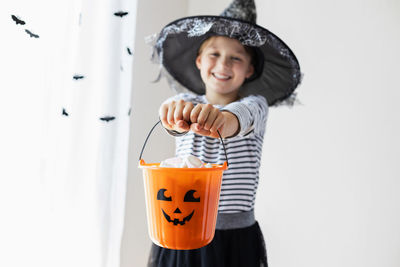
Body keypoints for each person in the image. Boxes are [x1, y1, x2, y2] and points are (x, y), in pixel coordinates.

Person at [147, 0, 301, 266]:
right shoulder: (186, 102)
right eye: (214, 54)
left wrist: (221, 119)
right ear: (199, 60)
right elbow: (170, 116)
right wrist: (172, 114)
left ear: (249, 69)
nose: (223, 64)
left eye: (236, 58)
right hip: (182, 225)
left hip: (234, 237)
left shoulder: (255, 106)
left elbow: (235, 121)